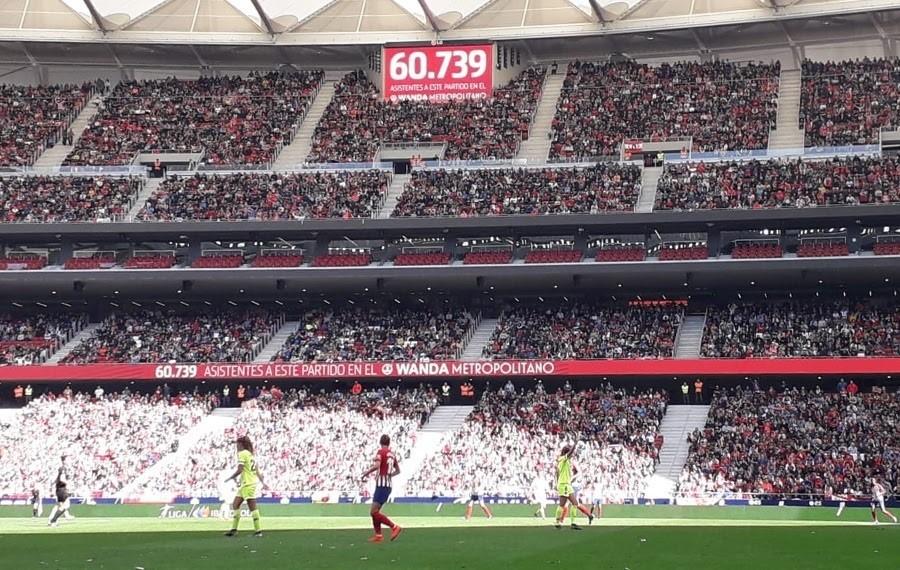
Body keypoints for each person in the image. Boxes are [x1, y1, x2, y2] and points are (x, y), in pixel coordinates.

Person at [361, 434, 403, 543]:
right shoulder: (392, 455)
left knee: (373, 512)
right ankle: (378, 535)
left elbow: (377, 465)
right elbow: (398, 471)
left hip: (381, 485)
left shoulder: (380, 452)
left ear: (380, 442)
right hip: (388, 485)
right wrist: (390, 475)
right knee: (375, 511)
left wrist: (366, 473)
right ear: (389, 443)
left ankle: (394, 527)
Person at [224, 435, 267, 537]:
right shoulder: (251, 455)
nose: (236, 447)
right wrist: (262, 482)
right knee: (235, 504)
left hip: (248, 484)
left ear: (241, 445)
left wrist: (230, 477)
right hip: (246, 484)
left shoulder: (242, 454)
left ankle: (258, 531)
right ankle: (234, 529)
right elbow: (256, 471)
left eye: (237, 444)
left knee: (252, 506)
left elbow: (240, 469)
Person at [555, 440, 594, 530]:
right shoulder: (563, 459)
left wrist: (557, 483)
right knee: (563, 505)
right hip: (564, 484)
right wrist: (575, 444)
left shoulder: (562, 460)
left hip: (565, 485)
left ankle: (569, 523)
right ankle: (561, 522)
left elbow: (557, 473)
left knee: (574, 503)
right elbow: (570, 453)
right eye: (570, 453)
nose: (572, 455)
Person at [48, 456, 72, 527]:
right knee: (66, 505)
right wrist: (68, 483)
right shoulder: (63, 468)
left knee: (59, 506)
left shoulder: (61, 468)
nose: (69, 461)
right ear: (64, 461)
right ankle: (53, 520)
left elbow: (56, 479)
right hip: (62, 489)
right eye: (68, 459)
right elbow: (61, 479)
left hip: (59, 489)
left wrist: (52, 486)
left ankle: (52, 521)